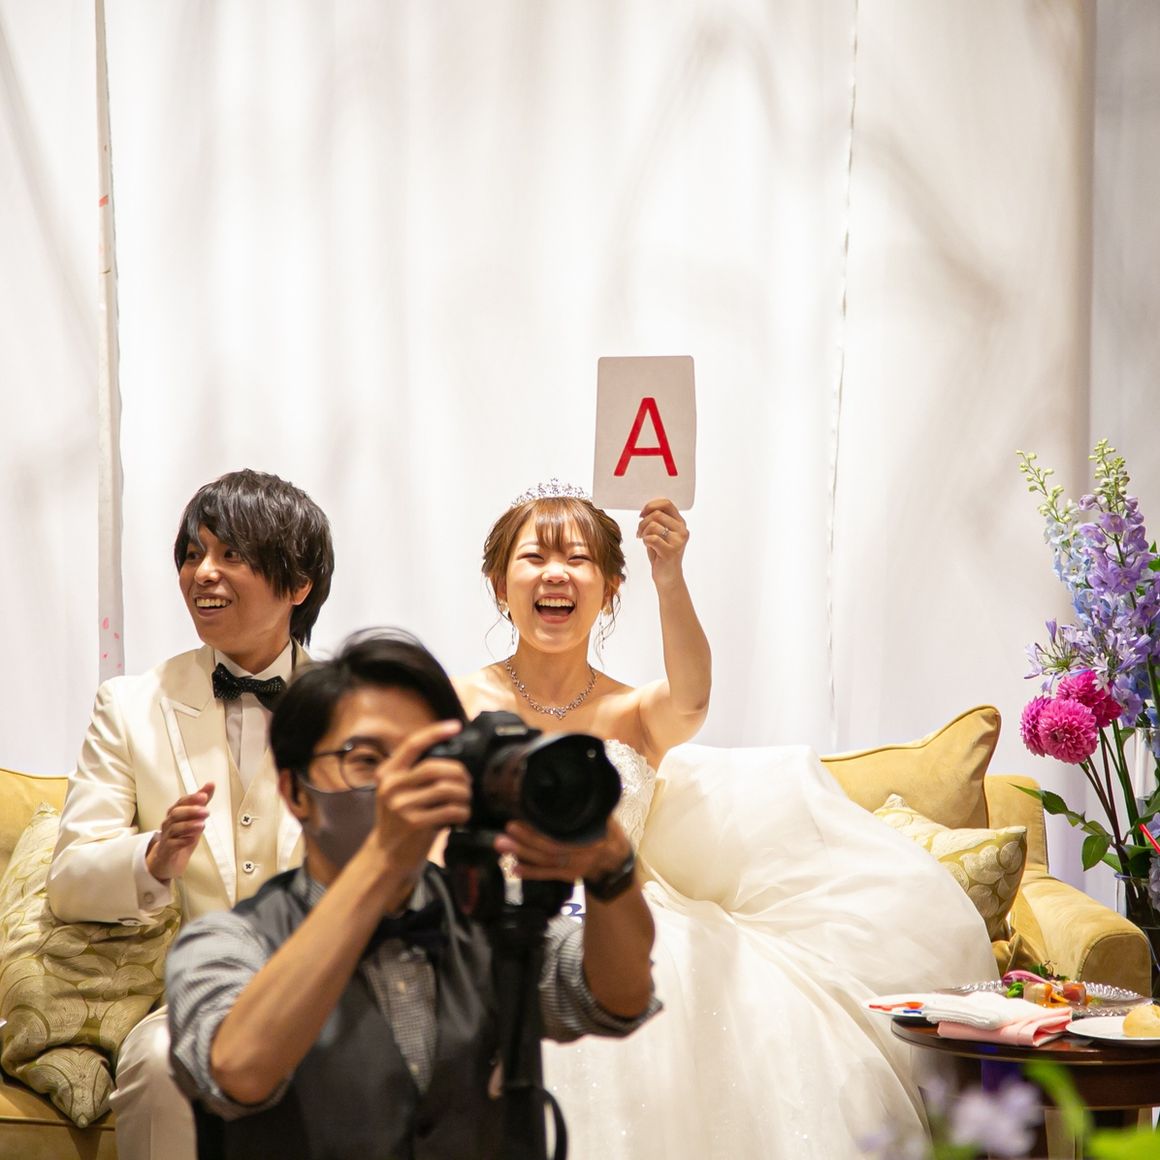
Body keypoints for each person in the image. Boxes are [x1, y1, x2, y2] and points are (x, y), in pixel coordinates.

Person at [455, 481, 1000, 1160]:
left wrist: (670, 576)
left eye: (579, 559)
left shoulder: (633, 712)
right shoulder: (456, 701)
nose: (556, 573)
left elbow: (692, 696)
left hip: (621, 913)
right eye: (535, 557)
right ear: (499, 583)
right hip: (492, 911)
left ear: (611, 588)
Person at [165, 629, 659, 1160]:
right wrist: (383, 862)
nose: (401, 785)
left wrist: (612, 872)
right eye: (367, 761)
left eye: (424, 759)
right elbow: (238, 1070)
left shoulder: (483, 915)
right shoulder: (224, 942)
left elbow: (617, 998)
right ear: (295, 792)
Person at [47, 468, 335, 1160]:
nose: (202, 573)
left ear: (298, 585)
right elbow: (70, 881)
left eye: (231, 555)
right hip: (189, 998)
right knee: (161, 1064)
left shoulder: (355, 707)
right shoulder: (129, 706)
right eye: (192, 553)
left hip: (329, 992)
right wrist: (151, 859)